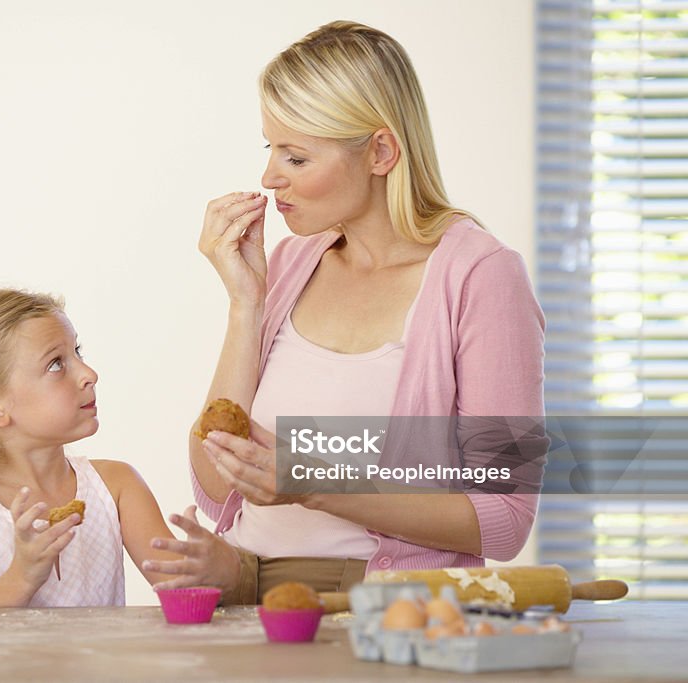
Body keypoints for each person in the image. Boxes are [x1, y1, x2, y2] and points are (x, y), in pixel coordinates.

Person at [149, 21, 547, 604]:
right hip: (250, 604)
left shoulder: (481, 278)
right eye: (270, 149)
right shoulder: (289, 263)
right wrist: (245, 302)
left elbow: (506, 518)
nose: (269, 178)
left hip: (380, 613)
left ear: (381, 151)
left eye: (297, 156)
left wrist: (313, 481)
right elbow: (215, 490)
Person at [0, 288, 235, 608]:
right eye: (56, 363)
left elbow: (190, 603)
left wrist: (214, 565)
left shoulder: (117, 487)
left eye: (77, 352)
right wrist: (22, 576)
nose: (89, 373)